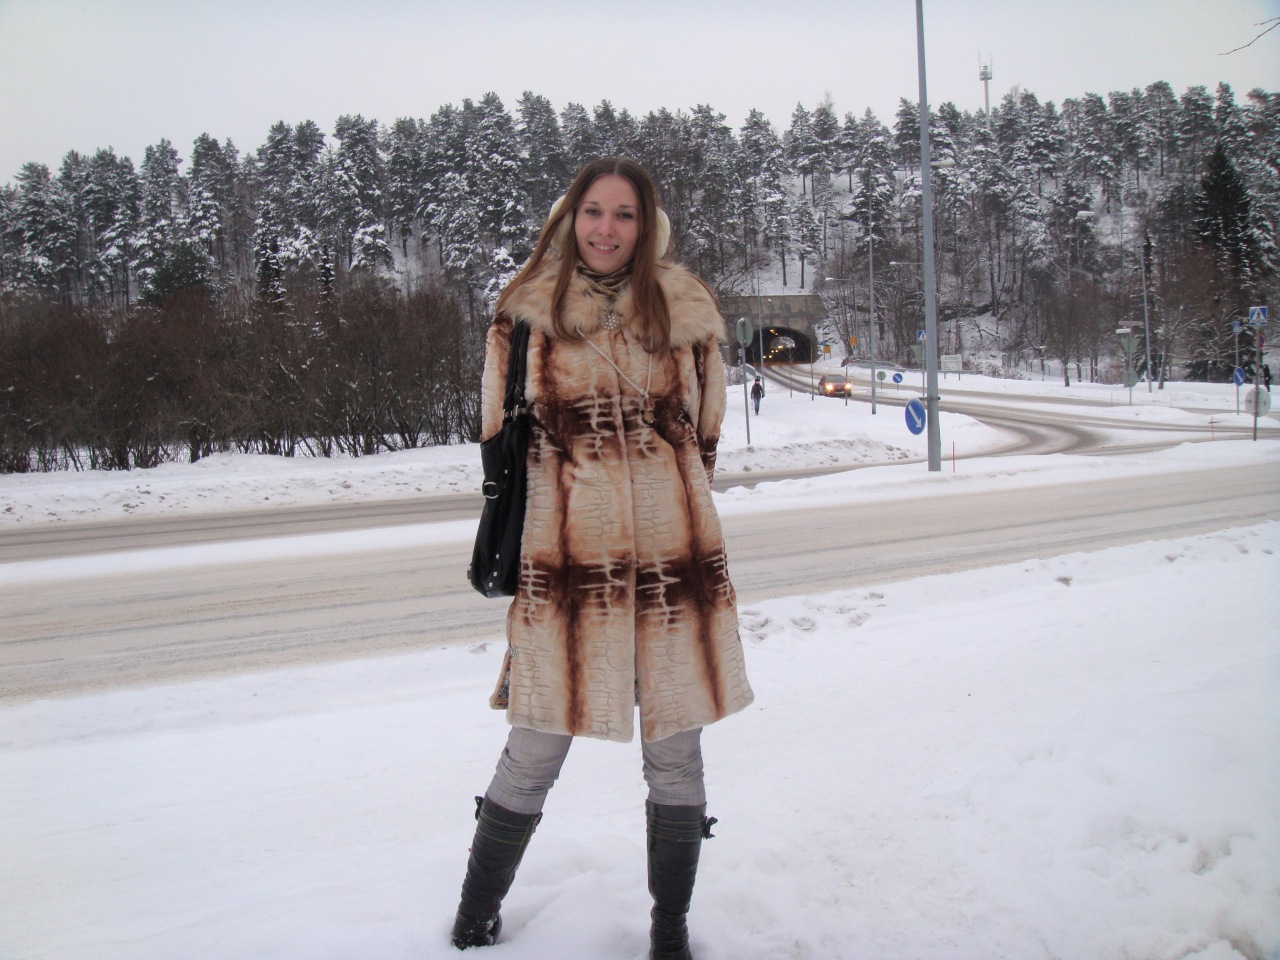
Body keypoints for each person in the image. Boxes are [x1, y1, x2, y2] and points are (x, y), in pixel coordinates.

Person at [451, 158, 755, 959]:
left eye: (624, 214)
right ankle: (473, 920)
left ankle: (670, 932)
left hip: (672, 566)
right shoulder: (526, 313)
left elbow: (706, 434)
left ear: (646, 224)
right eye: (593, 211)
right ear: (569, 216)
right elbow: (497, 436)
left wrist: (663, 500)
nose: (606, 228)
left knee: (676, 754)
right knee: (532, 748)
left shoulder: (685, 310)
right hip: (565, 567)